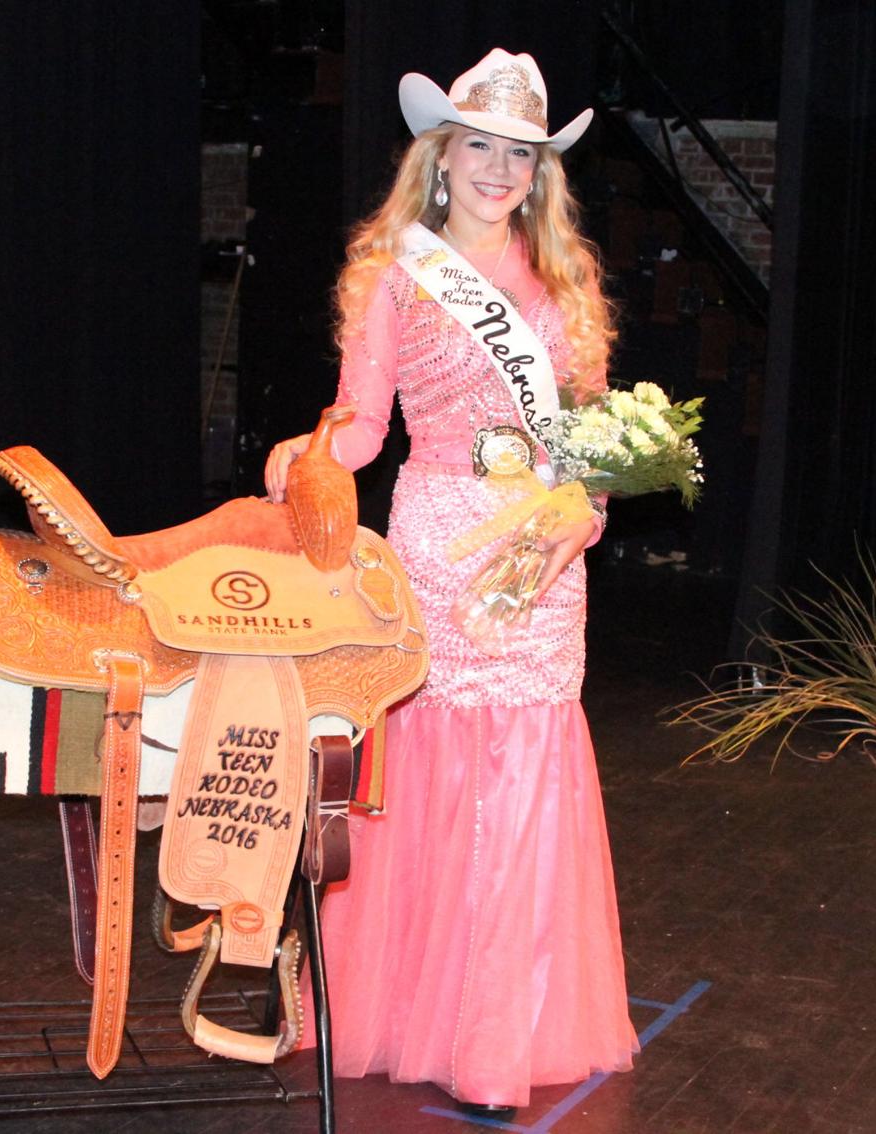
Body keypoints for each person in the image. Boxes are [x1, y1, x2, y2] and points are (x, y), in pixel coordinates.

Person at [265, 48, 638, 1115]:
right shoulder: (395, 272)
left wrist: (587, 505)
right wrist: (312, 451)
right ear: (441, 155)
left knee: (523, 770)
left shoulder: (564, 281)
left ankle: (498, 1036)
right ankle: (400, 1006)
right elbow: (364, 421)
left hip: (541, 548)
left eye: (520, 153)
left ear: (540, 170)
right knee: (424, 768)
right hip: (433, 536)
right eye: (481, 144)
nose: (499, 168)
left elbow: (588, 437)